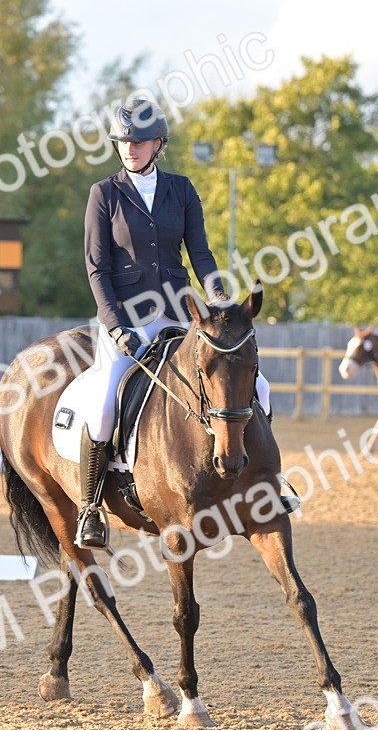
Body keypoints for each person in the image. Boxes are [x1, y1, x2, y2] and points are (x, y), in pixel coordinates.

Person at [76, 97, 271, 550]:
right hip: (126, 318)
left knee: (257, 388)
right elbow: (96, 269)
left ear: (158, 143)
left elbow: (200, 254)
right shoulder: (104, 195)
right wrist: (114, 326)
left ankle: (264, 483)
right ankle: (90, 506)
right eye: (123, 142)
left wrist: (219, 300)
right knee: (106, 401)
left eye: (139, 141)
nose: (130, 148)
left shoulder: (181, 190)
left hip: (181, 314)